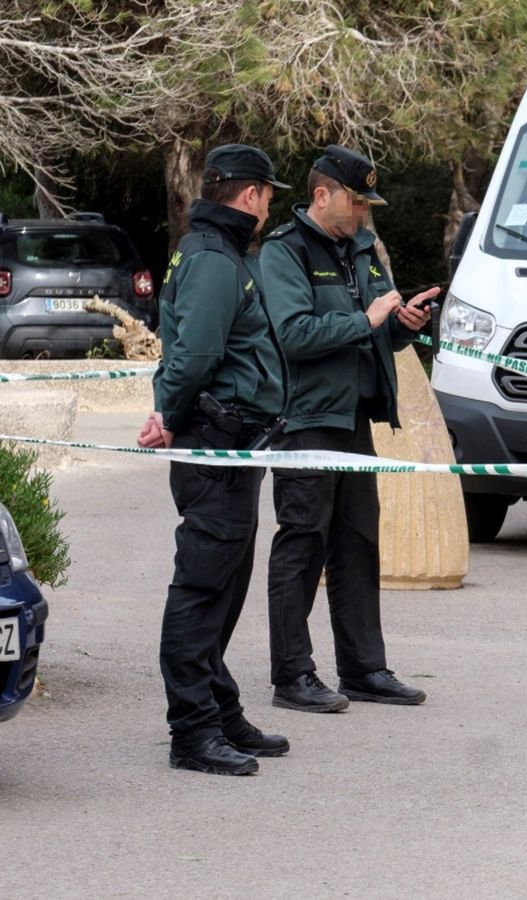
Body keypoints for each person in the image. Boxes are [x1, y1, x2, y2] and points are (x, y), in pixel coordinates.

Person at [258, 145, 437, 713]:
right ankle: (292, 675)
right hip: (308, 420)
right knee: (302, 545)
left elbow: (378, 330)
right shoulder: (284, 251)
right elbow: (294, 334)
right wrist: (366, 318)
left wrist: (403, 325)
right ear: (322, 195)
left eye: (367, 204)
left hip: (355, 418)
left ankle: (363, 669)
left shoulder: (361, 249)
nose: (363, 212)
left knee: (358, 545)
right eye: (356, 202)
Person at [139, 143, 291, 775]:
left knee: (224, 586)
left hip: (233, 444)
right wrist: (170, 416)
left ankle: (219, 709)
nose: (268, 207)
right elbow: (195, 355)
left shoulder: (218, 251)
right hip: (214, 442)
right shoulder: (212, 257)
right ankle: (193, 730)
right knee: (202, 588)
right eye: (268, 196)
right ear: (251, 194)